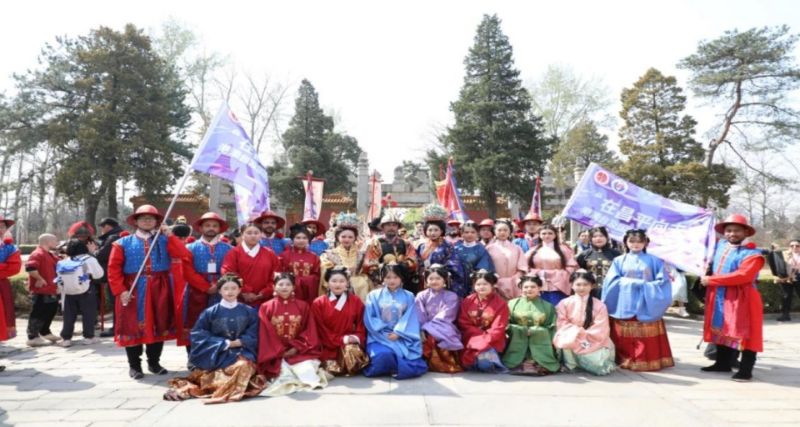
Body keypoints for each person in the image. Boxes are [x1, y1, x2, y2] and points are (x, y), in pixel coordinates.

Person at [107, 205, 192, 379]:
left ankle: (154, 362)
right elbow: (113, 269)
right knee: (132, 326)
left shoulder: (164, 240)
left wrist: (170, 235)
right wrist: (121, 291)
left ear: (157, 222)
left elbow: (183, 253)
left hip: (160, 287)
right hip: (133, 288)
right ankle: (134, 366)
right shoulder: (122, 243)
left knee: (159, 324)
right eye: (143, 218)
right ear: (136, 221)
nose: (147, 221)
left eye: (151, 218)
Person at [164, 274, 265, 403]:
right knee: (228, 370)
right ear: (219, 291)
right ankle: (225, 388)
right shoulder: (210, 312)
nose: (230, 292)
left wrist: (242, 341)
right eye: (226, 288)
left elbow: (255, 332)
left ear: (239, 290)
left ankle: (224, 390)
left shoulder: (249, 311)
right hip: (217, 353)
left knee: (244, 365)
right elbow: (198, 335)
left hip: (242, 351)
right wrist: (224, 343)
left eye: (234, 288)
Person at [700, 214, 764, 381]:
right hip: (720, 296)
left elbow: (743, 276)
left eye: (737, 230)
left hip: (744, 298)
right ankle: (722, 363)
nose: (732, 234)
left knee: (747, 333)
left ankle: (746, 370)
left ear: (746, 232)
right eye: (728, 230)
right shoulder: (720, 245)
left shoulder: (753, 254)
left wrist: (711, 280)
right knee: (721, 328)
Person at [602, 229, 673, 372]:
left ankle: (648, 360)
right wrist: (632, 282)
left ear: (645, 243)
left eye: (640, 241)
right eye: (632, 241)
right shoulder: (619, 260)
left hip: (647, 300)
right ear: (626, 242)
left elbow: (663, 282)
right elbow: (611, 281)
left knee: (646, 329)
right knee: (624, 332)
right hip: (625, 300)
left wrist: (646, 285)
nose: (636, 244)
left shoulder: (654, 260)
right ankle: (625, 359)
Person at [258, 272, 327, 396]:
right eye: (280, 284)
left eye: (288, 284)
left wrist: (296, 347)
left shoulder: (303, 306)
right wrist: (280, 351)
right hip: (274, 353)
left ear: (294, 287)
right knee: (283, 374)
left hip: (299, 351)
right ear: (274, 287)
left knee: (306, 370)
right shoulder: (266, 307)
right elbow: (265, 334)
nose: (284, 287)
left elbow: (309, 331)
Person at [363, 262, 427, 379]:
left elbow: (411, 318)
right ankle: (395, 367)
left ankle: (395, 367)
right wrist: (383, 332)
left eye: (395, 277)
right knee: (383, 355)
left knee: (405, 356)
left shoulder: (409, 296)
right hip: (379, 336)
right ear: (383, 278)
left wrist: (399, 333)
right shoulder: (373, 295)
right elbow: (369, 317)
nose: (392, 280)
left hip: (402, 336)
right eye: (388, 277)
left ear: (401, 278)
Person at [553, 270, 616, 376]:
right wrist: (576, 333)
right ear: (572, 285)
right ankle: (571, 365)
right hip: (571, 335)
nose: (581, 288)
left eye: (585, 285)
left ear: (592, 286)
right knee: (567, 340)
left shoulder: (600, 305)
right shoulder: (564, 303)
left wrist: (584, 335)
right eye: (578, 284)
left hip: (593, 338)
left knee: (597, 364)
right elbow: (561, 323)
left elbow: (601, 327)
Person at [311, 267, 369, 376]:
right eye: (334, 281)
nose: (338, 284)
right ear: (327, 283)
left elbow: (361, 324)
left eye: (342, 281)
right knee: (332, 368)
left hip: (349, 343)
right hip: (327, 345)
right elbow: (319, 329)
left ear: (347, 283)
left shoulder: (355, 301)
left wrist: (356, 337)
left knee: (353, 356)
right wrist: (341, 339)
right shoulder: (318, 303)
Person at [502, 275, 559, 375]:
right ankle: (520, 362)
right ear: (521, 288)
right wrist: (520, 330)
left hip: (540, 340)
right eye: (526, 287)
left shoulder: (548, 306)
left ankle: (538, 362)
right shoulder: (511, 304)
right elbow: (505, 323)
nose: (529, 289)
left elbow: (552, 326)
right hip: (516, 338)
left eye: (533, 287)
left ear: (539, 288)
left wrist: (536, 331)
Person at [457, 270, 509, 373]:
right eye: (478, 284)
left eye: (485, 284)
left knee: (485, 364)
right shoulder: (468, 300)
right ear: (474, 286)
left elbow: (499, 326)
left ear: (492, 285)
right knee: (472, 362)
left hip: (491, 339)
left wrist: (485, 338)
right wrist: (478, 335)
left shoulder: (501, 303)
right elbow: (463, 321)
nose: (481, 287)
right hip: (470, 337)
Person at [415, 264, 463, 373]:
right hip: (424, 326)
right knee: (421, 335)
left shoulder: (452, 296)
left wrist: (429, 327)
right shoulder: (421, 295)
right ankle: (429, 363)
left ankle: (444, 363)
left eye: (438, 278)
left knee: (439, 334)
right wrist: (423, 327)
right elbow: (419, 313)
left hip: (444, 326)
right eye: (431, 278)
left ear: (444, 280)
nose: (434, 281)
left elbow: (447, 314)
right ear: (426, 281)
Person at [221, 223, 280, 307]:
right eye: (249, 233)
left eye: (256, 233)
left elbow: (276, 275)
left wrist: (265, 292)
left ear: (261, 235)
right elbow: (228, 273)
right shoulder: (233, 253)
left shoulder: (270, 253)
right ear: (242, 234)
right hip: (238, 300)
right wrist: (243, 291)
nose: (253, 236)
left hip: (265, 301)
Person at [415, 204, 465, 296]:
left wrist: (440, 270)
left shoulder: (447, 246)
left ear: (441, 231)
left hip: (441, 280)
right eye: (430, 230)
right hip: (424, 280)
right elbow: (417, 262)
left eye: (436, 230)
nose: (432, 233)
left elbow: (454, 263)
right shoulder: (421, 246)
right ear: (425, 231)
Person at [319, 212, 371, 301]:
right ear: (337, 237)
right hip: (337, 283)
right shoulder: (329, 254)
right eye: (343, 236)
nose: (347, 239)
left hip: (358, 283)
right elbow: (325, 270)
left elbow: (366, 269)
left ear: (355, 238)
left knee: (363, 283)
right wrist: (339, 271)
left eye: (350, 237)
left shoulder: (361, 254)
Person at [363, 209, 418, 291]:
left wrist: (402, 266)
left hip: (404, 281)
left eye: (394, 225)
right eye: (388, 225)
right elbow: (369, 264)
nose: (391, 228)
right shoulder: (375, 243)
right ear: (382, 227)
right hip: (382, 282)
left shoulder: (406, 243)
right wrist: (384, 268)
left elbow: (413, 261)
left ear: (398, 227)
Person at [527, 224, 579, 306]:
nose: (547, 236)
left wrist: (552, 274)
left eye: (550, 233)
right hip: (538, 285)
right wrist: (537, 273)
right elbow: (526, 267)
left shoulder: (564, 249)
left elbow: (572, 267)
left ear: (555, 235)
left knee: (558, 309)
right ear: (539, 235)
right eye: (544, 233)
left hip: (559, 286)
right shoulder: (533, 250)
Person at [25, 234, 61, 347]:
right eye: (55, 240)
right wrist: (39, 278)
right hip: (41, 289)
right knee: (38, 312)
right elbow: (30, 268)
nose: (57, 242)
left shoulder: (50, 254)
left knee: (51, 310)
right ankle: (32, 337)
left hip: (51, 288)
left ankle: (45, 332)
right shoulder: (37, 253)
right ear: (48, 241)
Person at [95, 217, 125, 338]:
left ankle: (117, 328)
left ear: (107, 226)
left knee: (116, 302)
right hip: (120, 273)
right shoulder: (120, 235)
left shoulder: (113, 237)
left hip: (114, 274)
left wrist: (94, 251)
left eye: (102, 227)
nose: (101, 230)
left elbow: (101, 255)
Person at [279, 225, 321, 305]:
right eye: (298, 238)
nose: (301, 240)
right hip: (289, 291)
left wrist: (304, 280)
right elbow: (280, 274)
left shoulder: (314, 256)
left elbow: (317, 275)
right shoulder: (284, 255)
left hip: (308, 293)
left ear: (308, 240)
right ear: (292, 239)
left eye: (304, 238)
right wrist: (295, 281)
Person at [486, 219, 527, 300]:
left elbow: (522, 267)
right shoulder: (489, 249)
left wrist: (514, 279)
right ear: (494, 231)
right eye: (499, 230)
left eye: (505, 230)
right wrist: (495, 280)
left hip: (514, 284)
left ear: (510, 232)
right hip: (495, 283)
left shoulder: (517, 248)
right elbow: (486, 268)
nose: (502, 232)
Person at [576, 227, 621, 299]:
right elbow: (578, 274)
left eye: (601, 236)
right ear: (590, 239)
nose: (598, 238)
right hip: (590, 293)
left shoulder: (616, 254)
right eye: (595, 236)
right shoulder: (584, 255)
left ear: (606, 237)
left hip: (611, 291)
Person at [453, 221, 495, 299]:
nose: (470, 234)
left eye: (473, 232)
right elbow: (452, 263)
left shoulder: (481, 249)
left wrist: (476, 275)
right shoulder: (456, 248)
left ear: (477, 234)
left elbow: (484, 266)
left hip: (475, 281)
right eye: (466, 232)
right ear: (462, 234)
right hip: (458, 282)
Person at [0, 215, 21, 341]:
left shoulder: (10, 248)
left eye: (2, 226)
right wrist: (3, 266)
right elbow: (7, 267)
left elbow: (14, 267)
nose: (0, 229)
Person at [776, 238, 800, 321]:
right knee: (786, 296)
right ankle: (785, 315)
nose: (794, 247)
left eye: (797, 245)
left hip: (799, 276)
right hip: (787, 277)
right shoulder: (785, 254)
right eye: (792, 246)